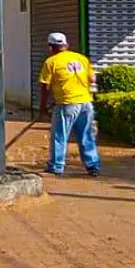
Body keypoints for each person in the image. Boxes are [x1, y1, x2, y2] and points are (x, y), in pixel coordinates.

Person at [38, 32, 101, 177]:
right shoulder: (81, 58)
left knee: (60, 135)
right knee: (86, 135)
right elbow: (92, 79)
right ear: (66, 45)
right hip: (86, 103)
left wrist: (42, 107)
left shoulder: (51, 62)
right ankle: (93, 166)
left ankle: (56, 166)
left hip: (67, 104)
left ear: (51, 47)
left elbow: (44, 86)